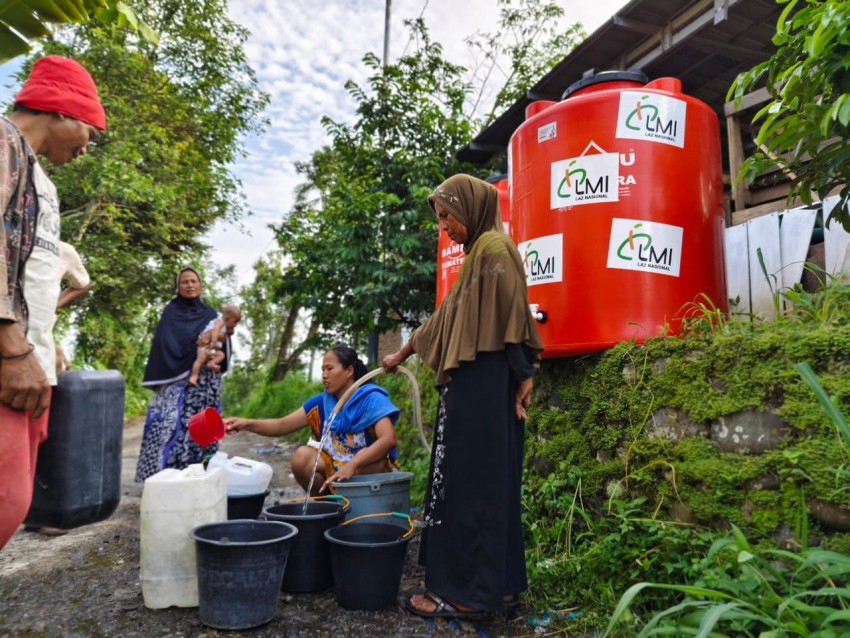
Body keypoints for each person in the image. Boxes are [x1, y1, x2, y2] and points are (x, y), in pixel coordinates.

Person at [382, 174, 543, 618]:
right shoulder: (480, 256)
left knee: (470, 487)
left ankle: (465, 595)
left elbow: (513, 315)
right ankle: (501, 587)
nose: (445, 227)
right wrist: (404, 351)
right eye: (441, 220)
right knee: (492, 485)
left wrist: (524, 373)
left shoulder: (494, 249)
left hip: (484, 387)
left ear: (469, 208)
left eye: (448, 216)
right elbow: (447, 315)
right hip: (484, 386)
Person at [0, 55, 106, 551]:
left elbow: (28, 276)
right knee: (6, 501)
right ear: (60, 110)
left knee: (15, 501)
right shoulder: (2, 142)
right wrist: (12, 347)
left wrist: (43, 341)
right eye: (91, 128)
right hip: (9, 362)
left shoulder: (39, 178)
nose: (89, 145)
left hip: (30, 364)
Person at [224, 344, 400, 495]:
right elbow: (281, 425)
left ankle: (362, 510)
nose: (324, 375)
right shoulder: (321, 403)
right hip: (337, 465)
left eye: (330, 368)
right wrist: (246, 423)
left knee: (365, 458)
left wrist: (354, 463)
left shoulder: (371, 399)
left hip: (368, 470)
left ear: (349, 371)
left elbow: (388, 439)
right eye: (322, 369)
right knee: (302, 457)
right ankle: (327, 506)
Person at [134, 268, 241, 482]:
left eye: (194, 281)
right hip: (176, 384)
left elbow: (224, 340)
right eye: (185, 282)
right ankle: (163, 478)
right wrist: (195, 344)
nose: (190, 285)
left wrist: (214, 341)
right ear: (178, 287)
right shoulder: (170, 313)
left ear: (201, 286)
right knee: (170, 427)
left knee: (203, 428)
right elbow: (165, 343)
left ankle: (201, 475)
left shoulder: (211, 314)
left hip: (205, 387)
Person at [189, 304, 241, 385]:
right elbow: (214, 330)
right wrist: (213, 341)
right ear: (227, 319)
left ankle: (211, 363)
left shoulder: (225, 326)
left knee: (221, 355)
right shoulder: (219, 322)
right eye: (235, 321)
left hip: (212, 349)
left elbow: (226, 335)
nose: (236, 324)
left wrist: (230, 331)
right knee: (200, 359)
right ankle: (194, 376)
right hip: (204, 345)